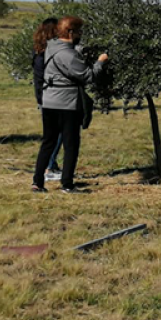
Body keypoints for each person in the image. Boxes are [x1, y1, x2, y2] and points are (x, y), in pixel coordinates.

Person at [32, 16, 108, 193]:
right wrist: (100, 62)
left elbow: (68, 53)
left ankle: (37, 182)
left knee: (48, 142)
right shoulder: (69, 54)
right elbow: (89, 76)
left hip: (49, 101)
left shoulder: (50, 46)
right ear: (71, 32)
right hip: (67, 103)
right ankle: (67, 184)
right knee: (71, 144)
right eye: (79, 31)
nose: (81, 34)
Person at [31, 18, 63, 181]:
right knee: (55, 135)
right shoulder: (48, 52)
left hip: (43, 96)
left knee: (53, 134)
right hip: (50, 96)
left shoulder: (38, 50)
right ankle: (48, 168)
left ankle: (51, 165)